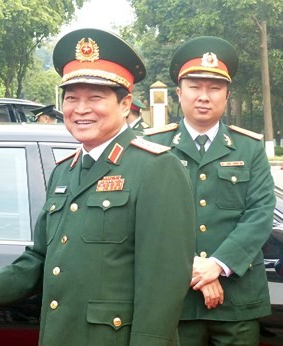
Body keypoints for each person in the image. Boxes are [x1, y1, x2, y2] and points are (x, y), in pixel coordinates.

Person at [0, 28, 197, 345]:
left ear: (125, 105)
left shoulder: (156, 168)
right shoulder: (64, 172)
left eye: (95, 97)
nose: (81, 109)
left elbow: (162, 285)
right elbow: (38, 259)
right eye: (71, 98)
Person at [144, 36, 275, 346]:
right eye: (194, 87)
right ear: (178, 93)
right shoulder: (152, 146)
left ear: (227, 95)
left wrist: (216, 265)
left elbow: (260, 214)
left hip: (237, 303)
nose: (204, 96)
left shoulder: (249, 147)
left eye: (214, 88)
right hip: (175, 302)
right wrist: (193, 269)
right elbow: (144, 218)